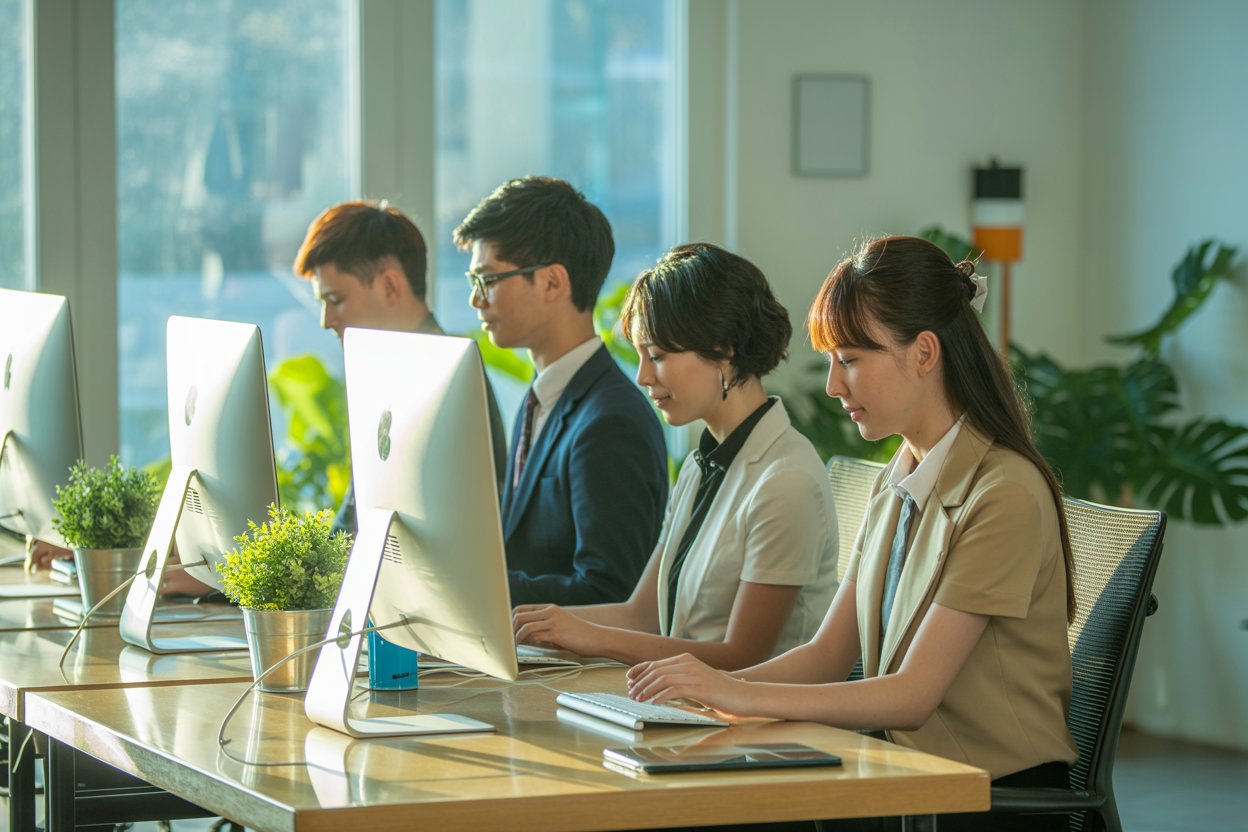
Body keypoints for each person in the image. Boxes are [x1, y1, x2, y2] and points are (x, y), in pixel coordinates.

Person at [626, 236, 1079, 832]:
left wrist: (734, 695)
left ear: (923, 353)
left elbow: (910, 697)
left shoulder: (1005, 492)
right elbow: (827, 654)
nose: (834, 387)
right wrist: (702, 696)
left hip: (984, 802)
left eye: (851, 360)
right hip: (904, 780)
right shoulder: (900, 477)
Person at [513, 243, 838, 669]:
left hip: (759, 723)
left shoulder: (785, 481)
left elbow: (742, 656)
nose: (643, 376)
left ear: (724, 348)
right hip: (683, 704)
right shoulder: (702, 464)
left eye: (659, 356)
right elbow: (642, 616)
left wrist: (590, 637)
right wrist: (529, 623)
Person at [454, 176, 669, 606]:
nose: (477, 301)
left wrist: (468, 587)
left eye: (489, 280)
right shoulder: (541, 400)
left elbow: (609, 592)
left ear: (552, 282)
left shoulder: (611, 421)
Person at [293, 199, 509, 536]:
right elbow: (356, 514)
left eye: (335, 300)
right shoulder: (386, 376)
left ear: (390, 286)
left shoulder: (450, 378)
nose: (326, 321)